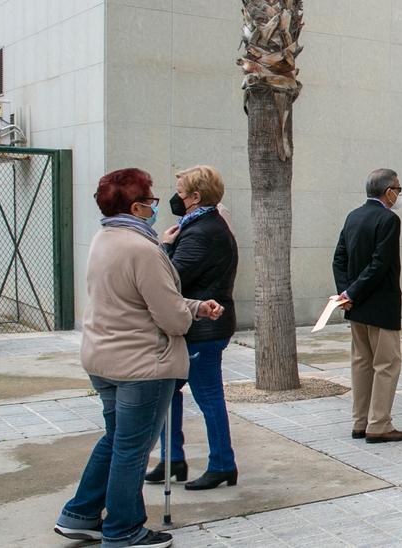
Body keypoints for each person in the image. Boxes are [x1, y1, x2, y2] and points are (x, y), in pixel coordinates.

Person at [54, 168, 223, 548]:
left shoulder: (104, 238)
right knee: (132, 449)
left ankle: (79, 514)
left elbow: (131, 300)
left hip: (104, 357)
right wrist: (188, 313)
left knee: (116, 440)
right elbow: (170, 317)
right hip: (142, 365)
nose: (156, 207)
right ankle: (124, 529)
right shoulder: (143, 249)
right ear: (135, 207)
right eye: (151, 201)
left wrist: (194, 306)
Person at [144, 165, 239, 491]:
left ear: (195, 197)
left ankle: (222, 464)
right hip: (195, 327)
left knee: (208, 397)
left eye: (181, 192)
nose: (175, 197)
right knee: (168, 392)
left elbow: (171, 277)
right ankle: (173, 460)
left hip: (204, 329)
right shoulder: (198, 226)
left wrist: (165, 248)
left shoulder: (203, 231)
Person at [333, 168, 402, 444]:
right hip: (380, 304)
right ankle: (379, 424)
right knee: (386, 365)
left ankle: (361, 421)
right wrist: (351, 292)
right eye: (398, 189)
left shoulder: (353, 216)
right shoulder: (389, 220)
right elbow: (380, 264)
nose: (399, 195)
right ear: (388, 191)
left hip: (357, 306)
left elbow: (339, 258)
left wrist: (345, 293)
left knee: (362, 363)